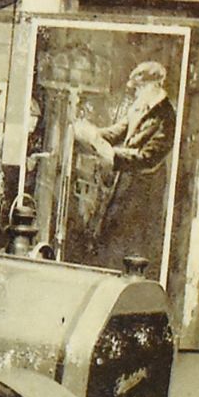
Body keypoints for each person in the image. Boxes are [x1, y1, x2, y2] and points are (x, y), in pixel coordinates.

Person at [72, 59, 177, 272]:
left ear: (152, 86)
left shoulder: (165, 116)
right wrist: (92, 133)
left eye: (138, 89)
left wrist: (112, 155)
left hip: (144, 195)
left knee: (132, 248)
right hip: (125, 188)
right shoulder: (138, 108)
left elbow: (148, 157)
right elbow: (117, 132)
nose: (135, 94)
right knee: (111, 242)